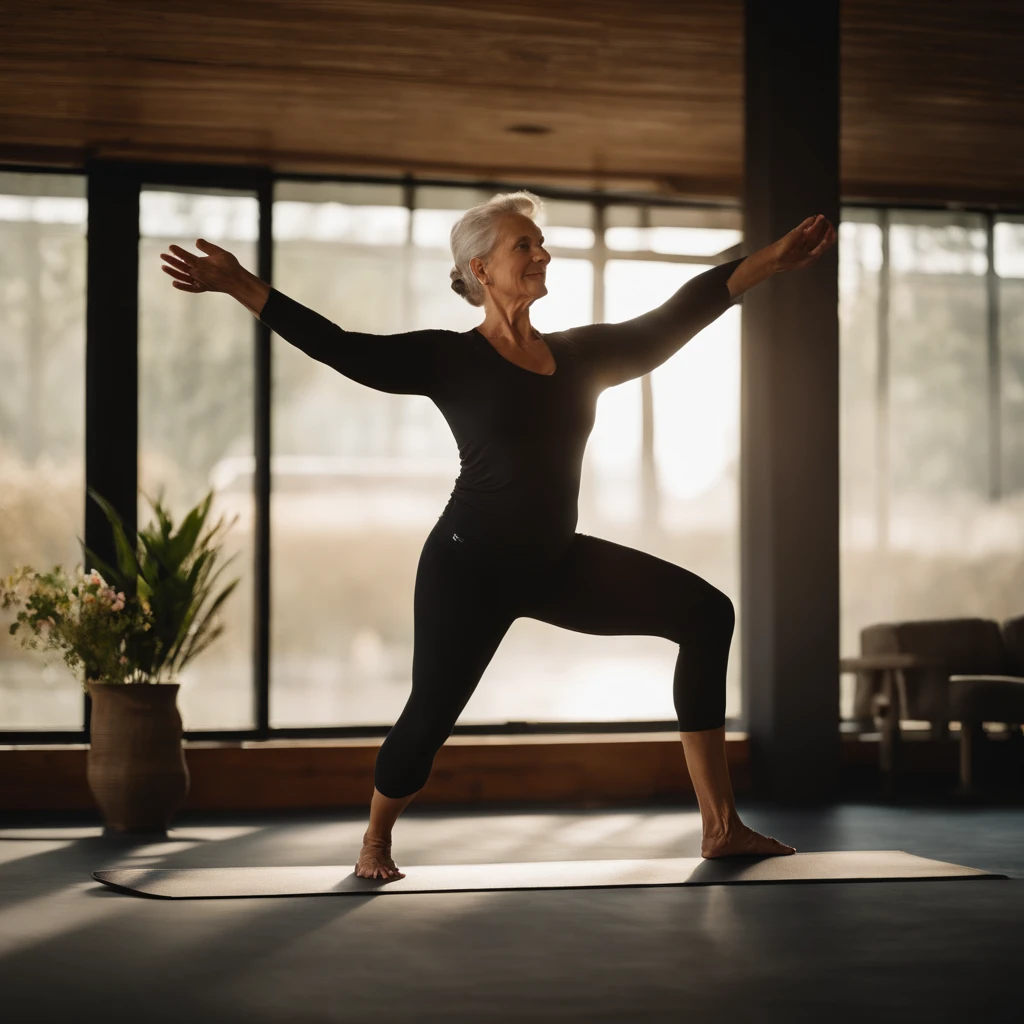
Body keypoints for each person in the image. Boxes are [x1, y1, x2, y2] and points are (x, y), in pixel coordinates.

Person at [161, 191, 836, 881]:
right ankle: (374, 841)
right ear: (480, 270)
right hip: (468, 569)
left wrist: (766, 264)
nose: (542, 253)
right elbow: (342, 349)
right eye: (525, 245)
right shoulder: (449, 360)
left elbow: (677, 313)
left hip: (555, 561)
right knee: (427, 720)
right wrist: (239, 283)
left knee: (706, 612)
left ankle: (720, 828)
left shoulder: (583, 357)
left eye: (541, 243)